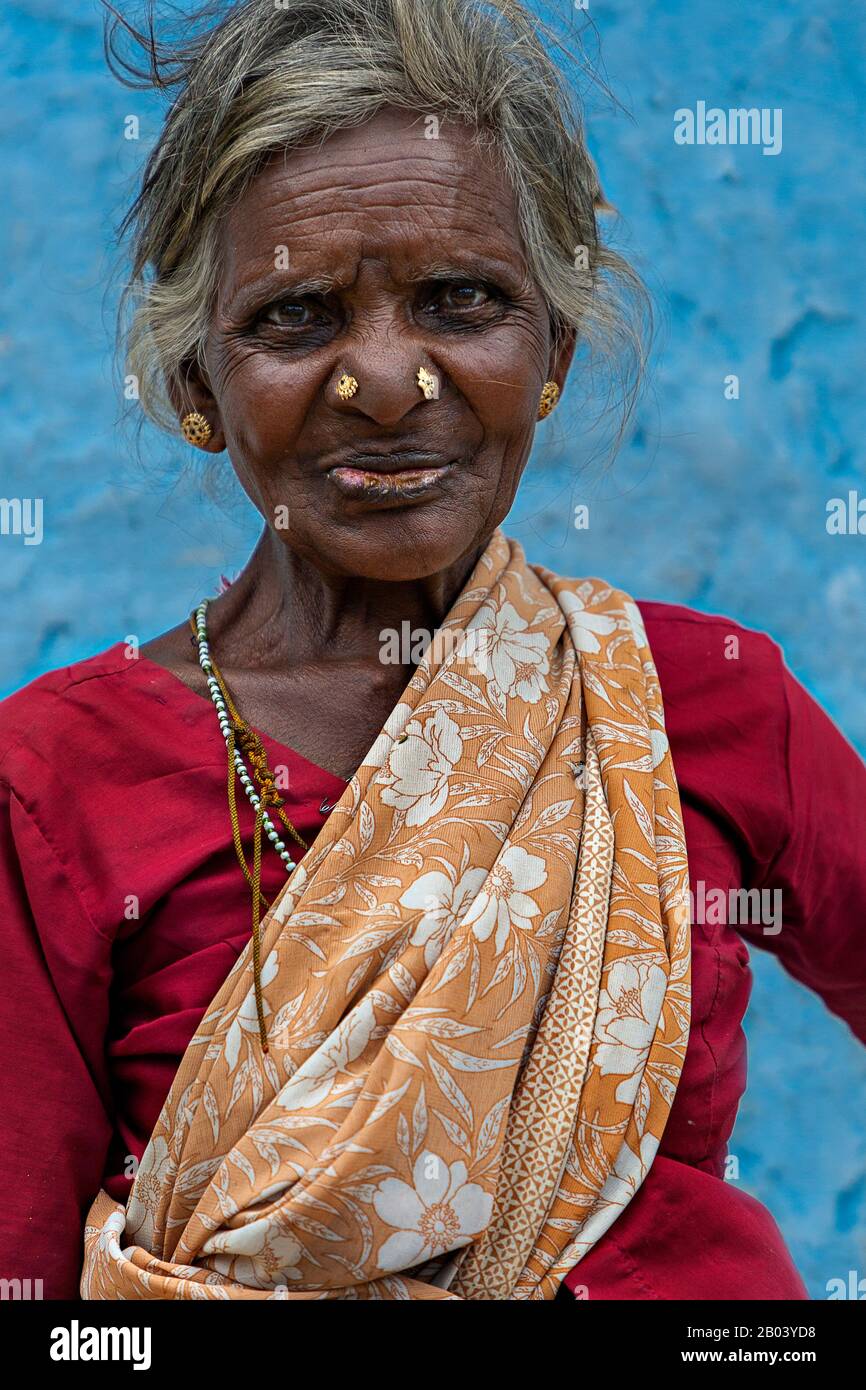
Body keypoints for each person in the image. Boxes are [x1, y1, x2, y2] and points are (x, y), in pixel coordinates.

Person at [1, 0, 864, 1300]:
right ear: (192, 383)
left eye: (461, 301)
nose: (388, 381)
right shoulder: (56, 779)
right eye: (296, 319)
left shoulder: (696, 702)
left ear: (553, 350)